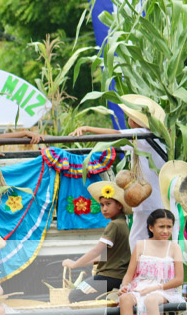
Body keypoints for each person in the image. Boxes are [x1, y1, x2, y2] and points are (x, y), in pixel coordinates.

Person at [69, 95, 166, 249]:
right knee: (146, 238)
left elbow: (115, 133)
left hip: (148, 199)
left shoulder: (141, 135)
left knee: (136, 240)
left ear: (134, 121)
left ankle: (138, 270)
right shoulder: (153, 138)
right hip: (154, 198)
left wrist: (88, 129)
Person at [118, 209, 184, 315]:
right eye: (161, 226)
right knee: (125, 299)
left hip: (164, 289)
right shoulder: (141, 245)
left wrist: (157, 287)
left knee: (151, 300)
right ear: (151, 227)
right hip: (140, 286)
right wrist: (124, 287)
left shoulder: (174, 248)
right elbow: (129, 274)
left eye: (169, 227)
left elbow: (178, 279)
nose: (166, 231)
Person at [63, 181, 131, 302]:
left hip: (108, 277)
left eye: (108, 204)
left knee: (74, 296)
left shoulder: (114, 225)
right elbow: (102, 257)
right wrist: (78, 263)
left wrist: (74, 264)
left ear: (119, 205)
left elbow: (96, 251)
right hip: (117, 278)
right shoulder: (124, 224)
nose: (104, 208)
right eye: (102, 205)